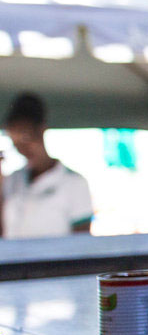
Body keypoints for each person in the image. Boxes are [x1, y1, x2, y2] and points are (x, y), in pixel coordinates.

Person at [1, 94, 93, 239]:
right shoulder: (12, 180)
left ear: (41, 130)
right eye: (15, 141)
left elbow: (82, 242)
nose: (22, 148)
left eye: (25, 137)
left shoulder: (73, 183)